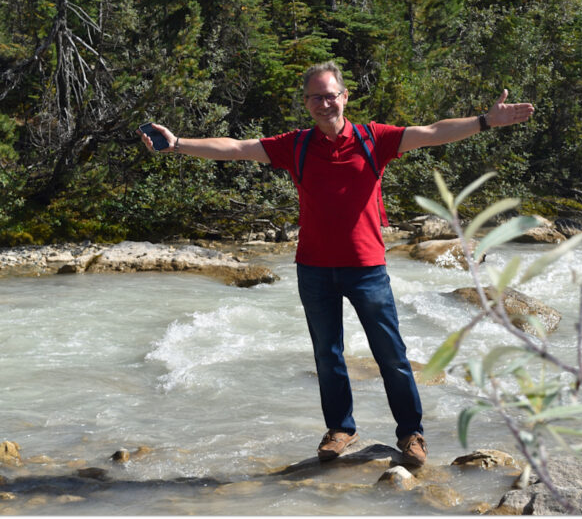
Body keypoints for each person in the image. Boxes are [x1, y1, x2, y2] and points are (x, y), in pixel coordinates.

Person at [139, 61, 534, 467]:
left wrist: (486, 121)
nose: (325, 103)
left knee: (392, 355)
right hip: (313, 269)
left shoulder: (373, 139)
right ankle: (341, 428)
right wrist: (179, 143)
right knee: (328, 355)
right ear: (307, 103)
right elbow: (238, 147)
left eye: (331, 95)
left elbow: (433, 133)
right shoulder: (296, 145)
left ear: (344, 96)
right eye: (316, 97)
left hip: (367, 269)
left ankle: (411, 433)